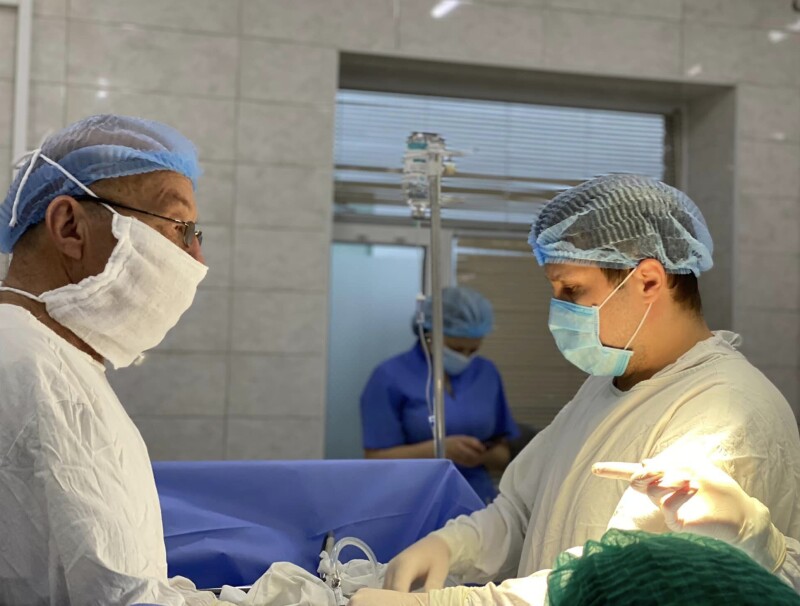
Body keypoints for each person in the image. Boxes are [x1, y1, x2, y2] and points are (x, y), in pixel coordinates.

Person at [348, 174, 800, 605]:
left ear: (648, 280)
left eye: (572, 290)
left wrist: (450, 602)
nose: (559, 311)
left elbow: (617, 583)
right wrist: (451, 545)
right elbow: (522, 512)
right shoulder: (606, 384)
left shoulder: (726, 413)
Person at [0, 115, 232, 605]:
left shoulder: (53, 359)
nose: (196, 259)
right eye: (180, 228)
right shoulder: (35, 372)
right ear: (70, 227)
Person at [360, 286, 519, 503]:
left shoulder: (486, 372)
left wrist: (482, 455)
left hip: (476, 499)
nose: (464, 357)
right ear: (429, 335)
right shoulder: (390, 376)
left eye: (472, 350)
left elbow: (504, 453)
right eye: (456, 349)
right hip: (413, 499)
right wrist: (440, 450)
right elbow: (375, 459)